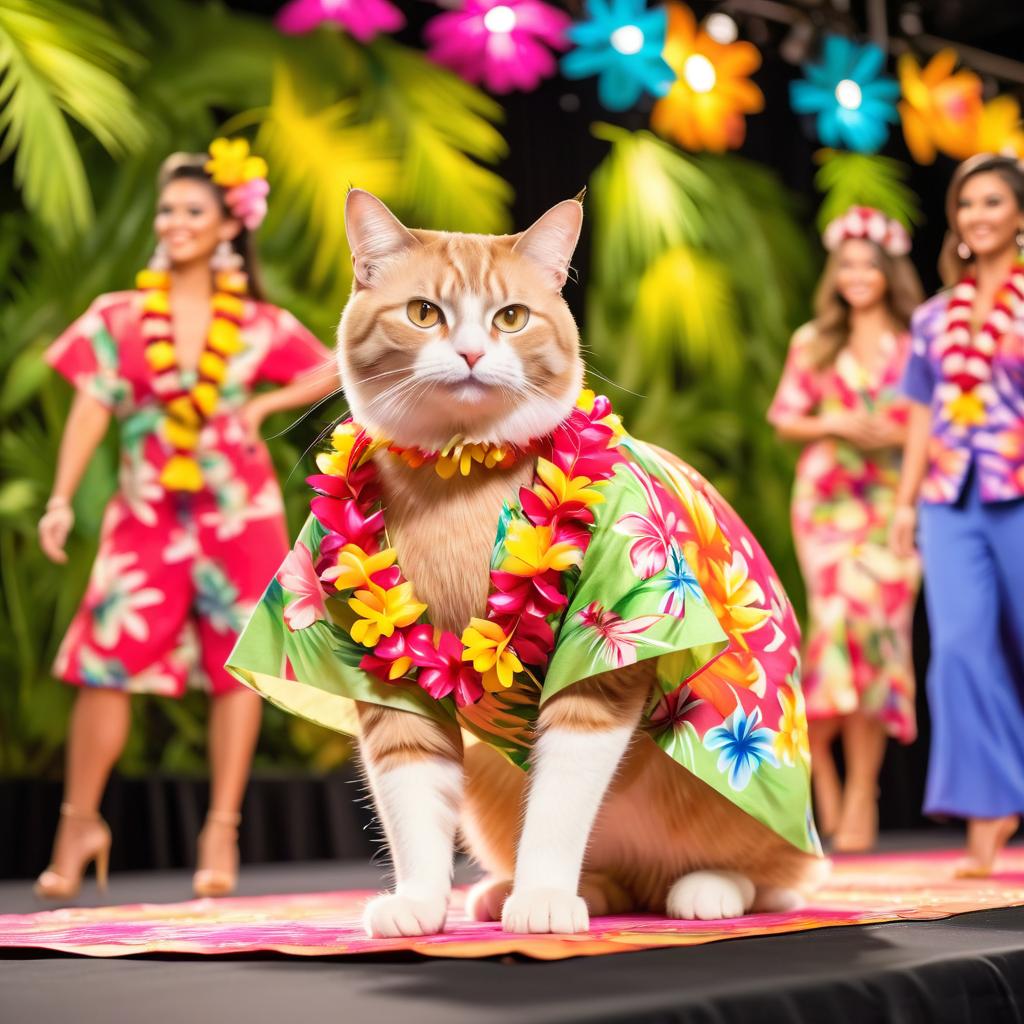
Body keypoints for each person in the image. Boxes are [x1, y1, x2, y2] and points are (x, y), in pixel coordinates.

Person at [34, 138, 335, 900]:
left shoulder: (262, 323)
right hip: (145, 513)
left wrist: (264, 402)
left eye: (191, 210)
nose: (172, 221)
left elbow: (337, 365)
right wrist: (63, 498)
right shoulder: (120, 318)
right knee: (103, 665)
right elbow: (89, 411)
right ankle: (79, 823)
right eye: (167, 209)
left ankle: (220, 830)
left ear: (229, 225)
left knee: (236, 670)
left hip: (242, 513)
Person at [769, 206, 923, 851]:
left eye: (869, 265)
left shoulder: (918, 343)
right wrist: (837, 424)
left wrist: (900, 445)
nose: (858, 276)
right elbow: (785, 419)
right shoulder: (814, 342)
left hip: (893, 501)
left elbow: (933, 425)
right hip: (828, 504)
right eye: (848, 266)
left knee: (879, 642)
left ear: (889, 273)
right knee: (835, 635)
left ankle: (864, 788)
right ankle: (828, 780)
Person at [891, 154, 1024, 877]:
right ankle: (989, 813)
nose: (977, 214)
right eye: (967, 203)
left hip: (1020, 487)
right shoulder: (933, 316)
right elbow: (921, 414)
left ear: (1019, 216)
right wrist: (906, 502)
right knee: (961, 652)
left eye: (993, 201)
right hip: (950, 498)